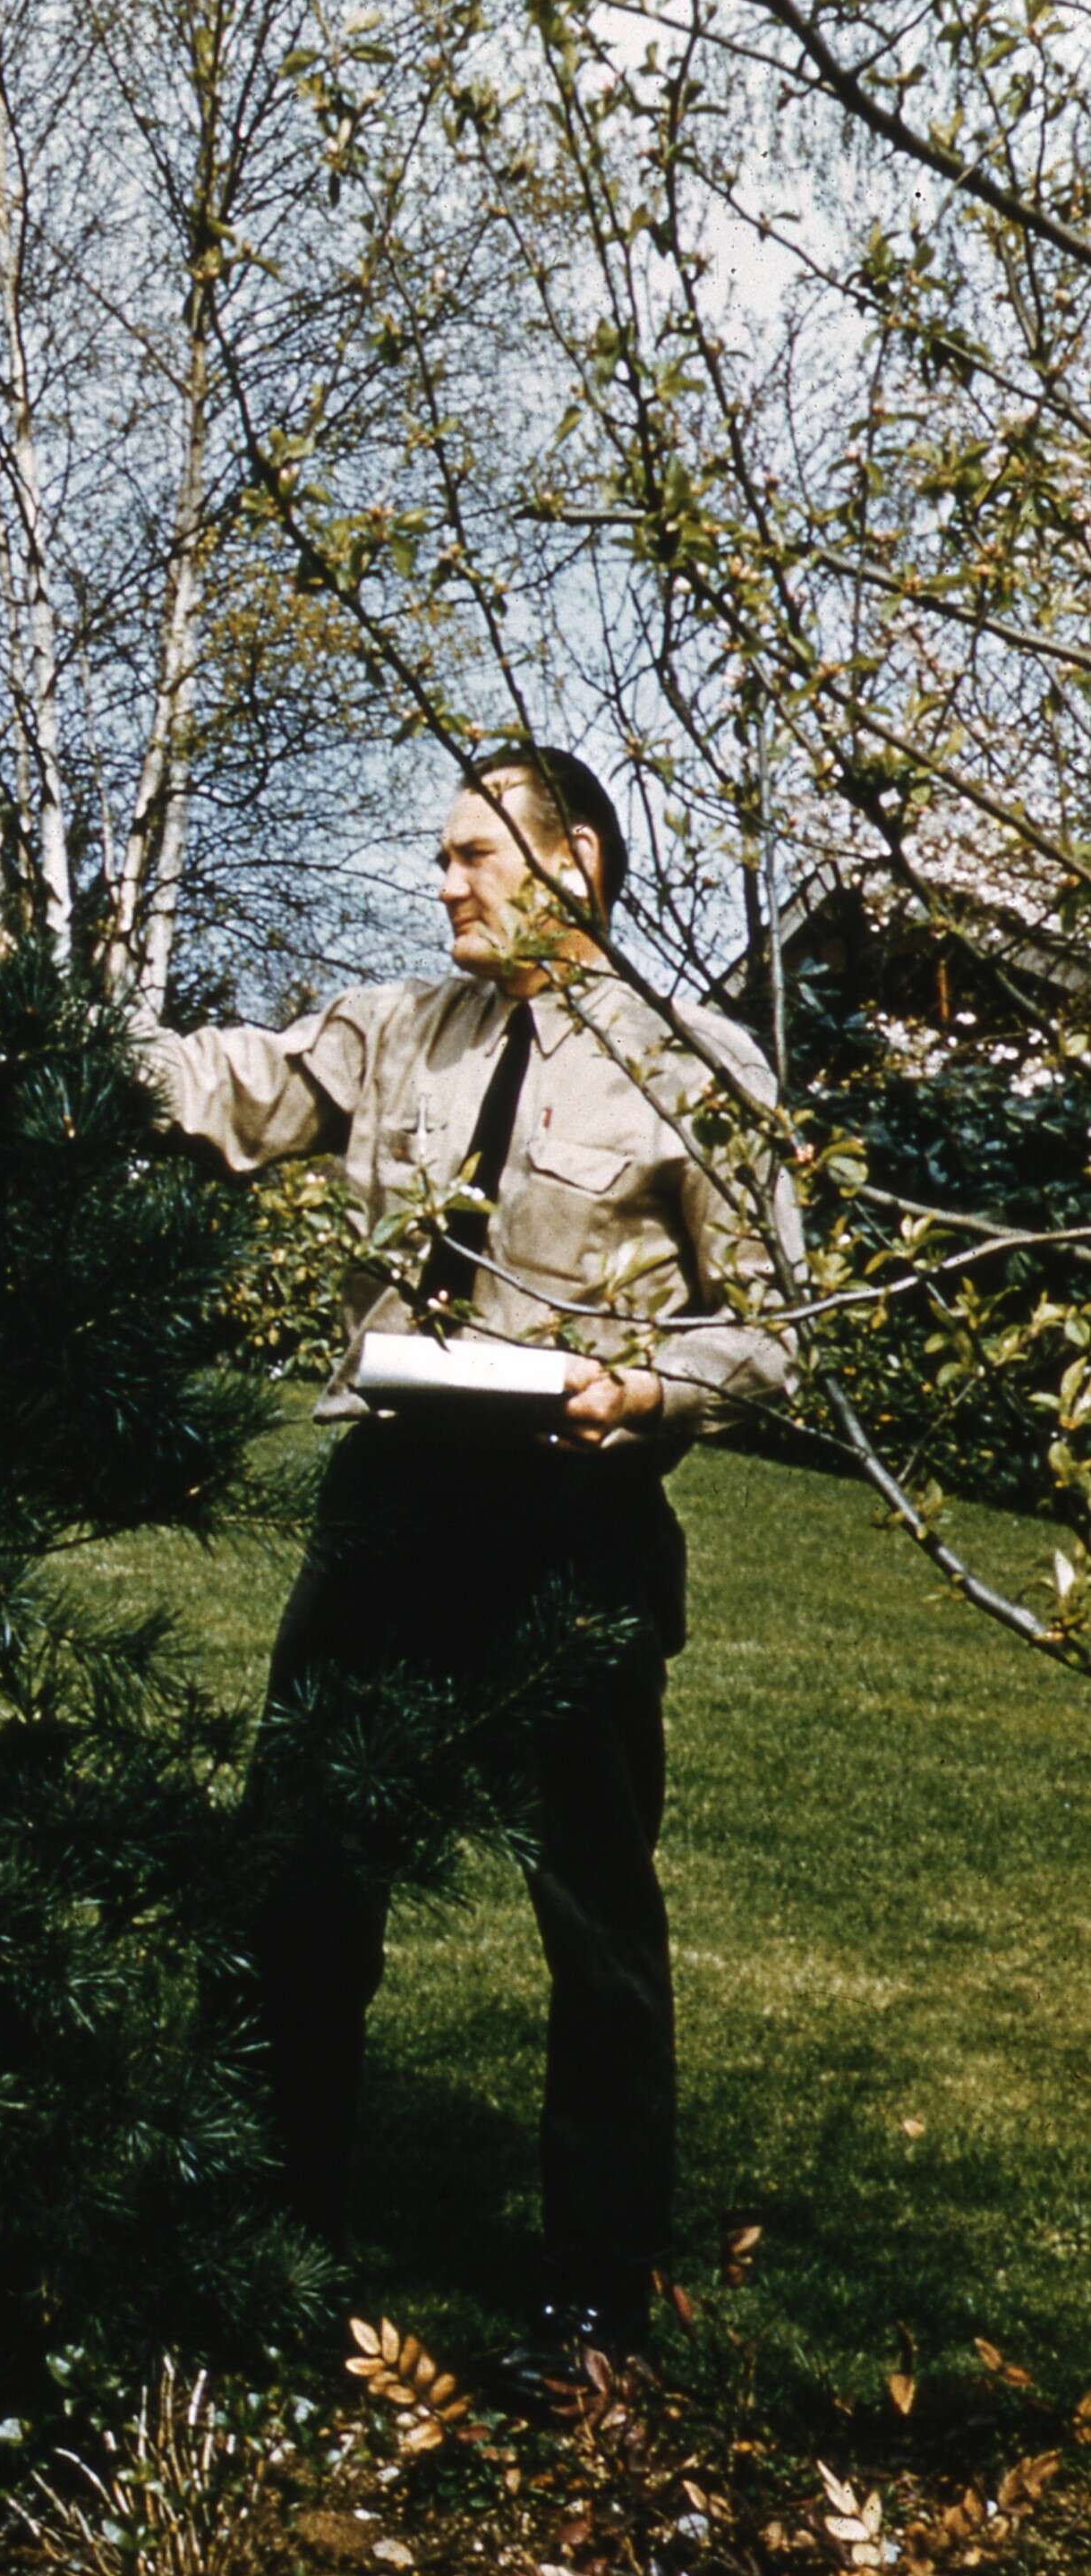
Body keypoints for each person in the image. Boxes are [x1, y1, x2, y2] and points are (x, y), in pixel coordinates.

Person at [127, 746, 798, 2366]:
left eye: (471, 858)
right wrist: (60, 1029)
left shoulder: (695, 1069)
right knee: (298, 1872)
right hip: (390, 1508)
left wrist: (645, 1386)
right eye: (438, 861)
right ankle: (269, 2249)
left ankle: (593, 2305)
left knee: (593, 1916)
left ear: (572, 862)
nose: (444, 887)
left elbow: (775, 1336)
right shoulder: (395, 1032)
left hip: (572, 1525)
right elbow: (228, 1085)